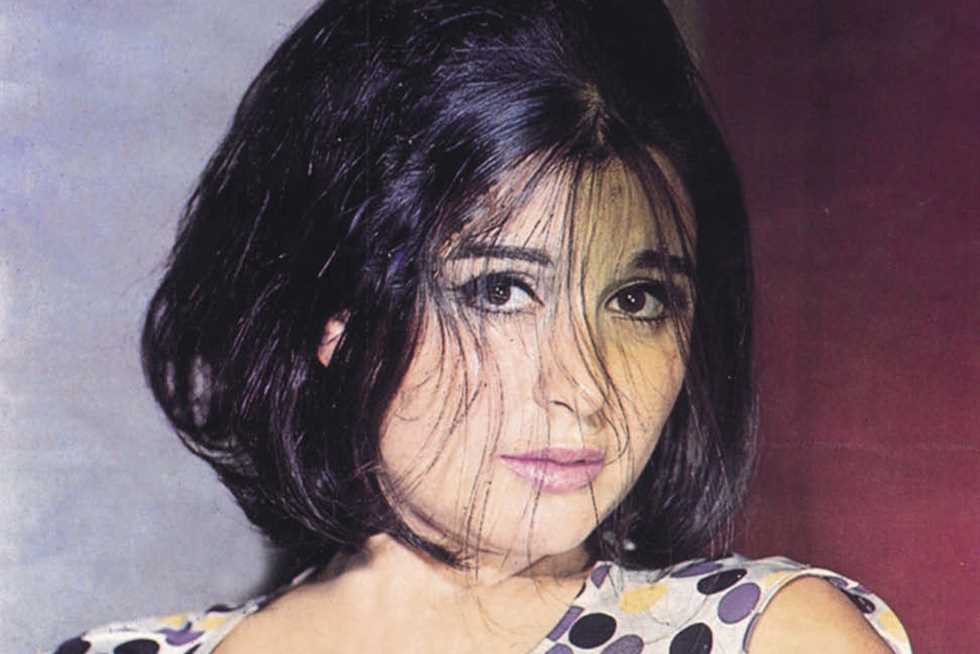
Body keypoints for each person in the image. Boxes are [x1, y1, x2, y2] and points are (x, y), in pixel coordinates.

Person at [51, 1, 911, 652]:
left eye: (637, 300)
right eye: (500, 290)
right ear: (333, 313)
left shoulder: (770, 638)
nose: (583, 388)